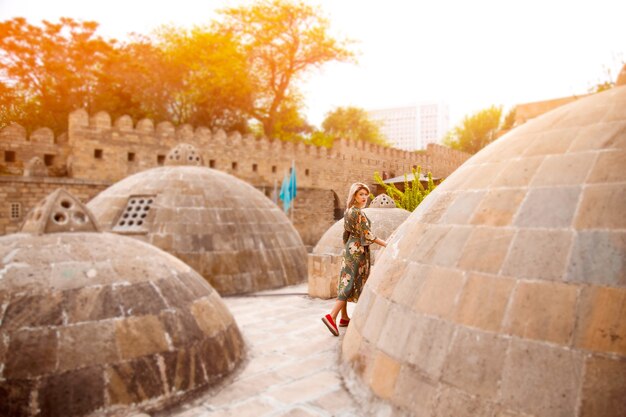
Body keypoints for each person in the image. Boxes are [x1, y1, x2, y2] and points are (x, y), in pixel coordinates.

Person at [322, 182, 387, 336]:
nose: (364, 197)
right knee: (349, 283)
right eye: (361, 195)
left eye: (366, 194)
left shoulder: (348, 211)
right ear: (355, 196)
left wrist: (348, 249)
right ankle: (331, 316)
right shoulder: (358, 213)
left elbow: (346, 235)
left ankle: (343, 318)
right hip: (357, 250)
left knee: (345, 281)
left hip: (349, 248)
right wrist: (386, 244)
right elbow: (368, 235)